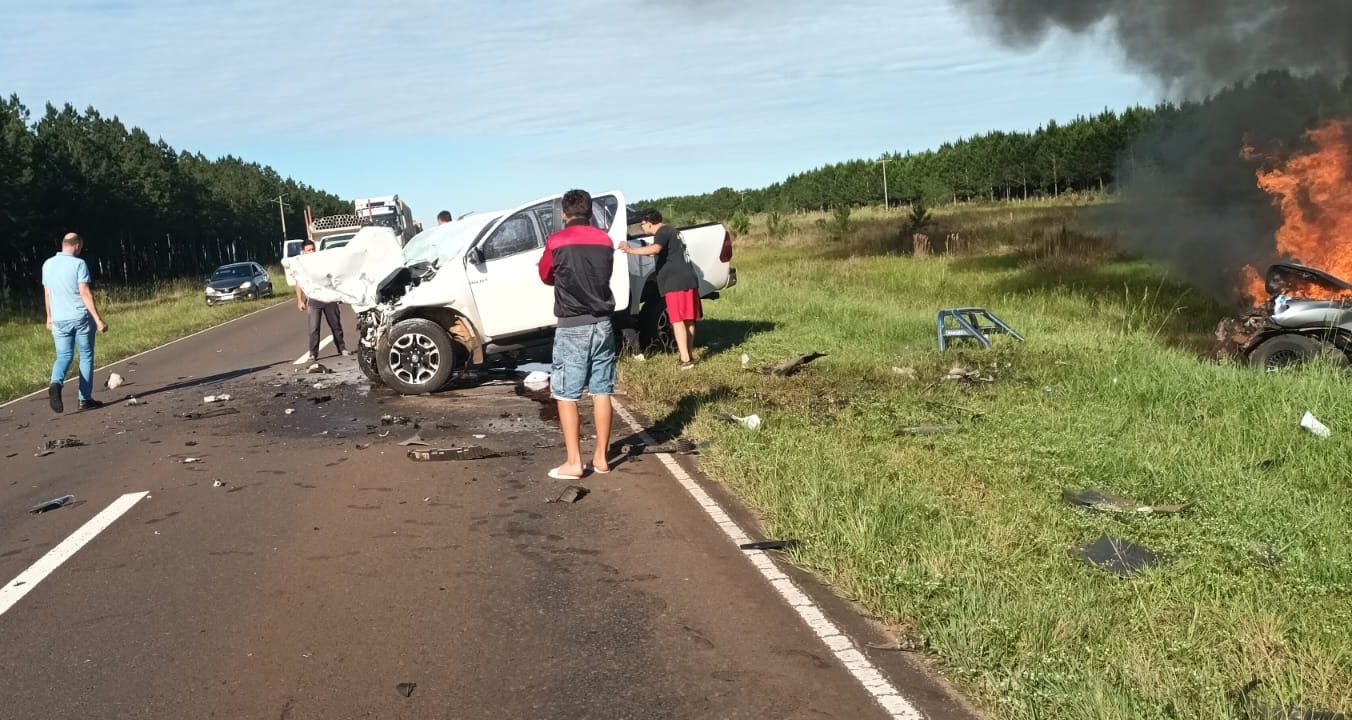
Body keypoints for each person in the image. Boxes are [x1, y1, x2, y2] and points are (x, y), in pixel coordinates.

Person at [538, 189, 616, 480]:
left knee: (566, 394)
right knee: (601, 389)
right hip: (604, 323)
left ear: (564, 213)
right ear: (590, 211)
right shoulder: (605, 241)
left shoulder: (557, 241)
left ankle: (573, 462)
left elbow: (546, 274)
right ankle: (602, 458)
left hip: (573, 325)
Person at [619, 209, 701, 369]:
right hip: (688, 279)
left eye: (642, 224)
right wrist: (642, 249)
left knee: (677, 321)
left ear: (649, 222)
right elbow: (658, 252)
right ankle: (689, 354)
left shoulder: (662, 232)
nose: (642, 227)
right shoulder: (672, 231)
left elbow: (655, 249)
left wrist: (631, 250)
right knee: (689, 319)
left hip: (675, 282)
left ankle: (685, 360)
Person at [42, 232, 108, 413]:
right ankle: (84, 399)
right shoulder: (79, 264)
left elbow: (47, 293)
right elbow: (85, 292)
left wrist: (49, 316)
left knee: (63, 356)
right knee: (86, 355)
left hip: (59, 319)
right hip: (80, 317)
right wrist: (98, 319)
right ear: (77, 245)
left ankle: (56, 383)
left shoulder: (47, 264)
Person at [294, 240, 349, 361]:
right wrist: (300, 300)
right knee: (314, 328)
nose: (312, 252)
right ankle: (313, 353)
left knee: (335, 325)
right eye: (309, 250)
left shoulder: (322, 261)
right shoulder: (302, 266)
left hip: (329, 298)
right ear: (303, 252)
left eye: (313, 249)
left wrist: (338, 295)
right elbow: (299, 283)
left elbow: (332, 277)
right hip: (314, 300)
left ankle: (342, 348)